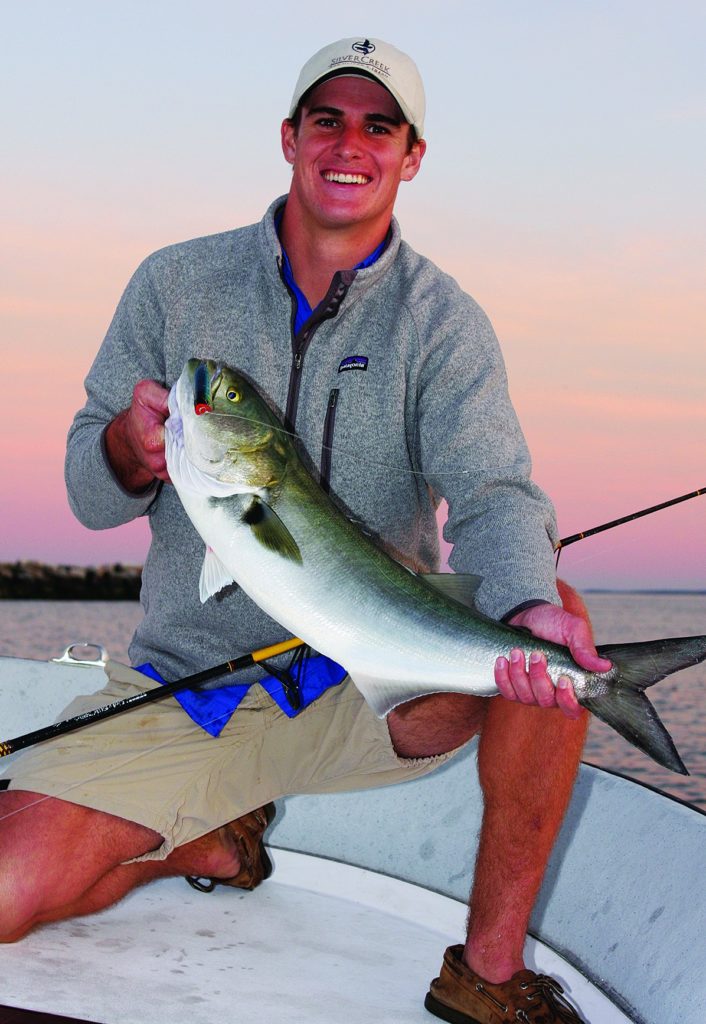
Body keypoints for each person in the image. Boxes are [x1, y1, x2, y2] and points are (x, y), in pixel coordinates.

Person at [0, 37, 610, 1024]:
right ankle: (209, 838)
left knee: (543, 620)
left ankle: (488, 973)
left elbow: (496, 496)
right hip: (186, 687)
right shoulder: (175, 283)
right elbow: (89, 491)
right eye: (327, 118)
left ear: (411, 156)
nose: (349, 143)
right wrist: (124, 448)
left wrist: (530, 598)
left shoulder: (443, 323)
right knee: (5, 894)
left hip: (371, 684)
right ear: (289, 137)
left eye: (379, 126)